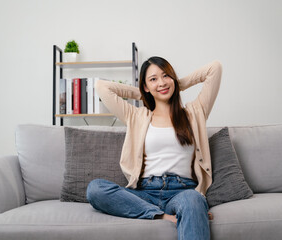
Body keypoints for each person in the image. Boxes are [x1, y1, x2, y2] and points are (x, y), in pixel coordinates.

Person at [86, 56, 222, 240]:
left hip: (182, 191)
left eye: (166, 76)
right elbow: (102, 87)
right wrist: (147, 92)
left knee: (194, 200)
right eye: (153, 79)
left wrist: (175, 85)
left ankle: (180, 211)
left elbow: (214, 68)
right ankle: (160, 215)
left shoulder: (195, 113)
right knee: (95, 189)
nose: (162, 82)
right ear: (145, 86)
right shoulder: (136, 116)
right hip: (145, 192)